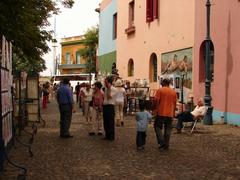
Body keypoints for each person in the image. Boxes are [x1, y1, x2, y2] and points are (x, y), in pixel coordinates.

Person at [153, 78, 177, 150]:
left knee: (157, 127)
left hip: (161, 112)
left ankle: (161, 142)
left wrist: (155, 109)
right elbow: (175, 103)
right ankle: (166, 145)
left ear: (163, 83)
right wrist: (173, 112)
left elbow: (156, 100)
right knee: (168, 129)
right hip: (170, 113)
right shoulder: (173, 92)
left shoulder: (160, 90)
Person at [103, 76, 117, 141]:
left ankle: (111, 136)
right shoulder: (106, 89)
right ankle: (107, 135)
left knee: (110, 122)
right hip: (105, 106)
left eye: (105, 82)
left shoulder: (113, 89)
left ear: (109, 82)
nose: (104, 83)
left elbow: (109, 97)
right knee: (105, 122)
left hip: (110, 106)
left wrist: (109, 88)